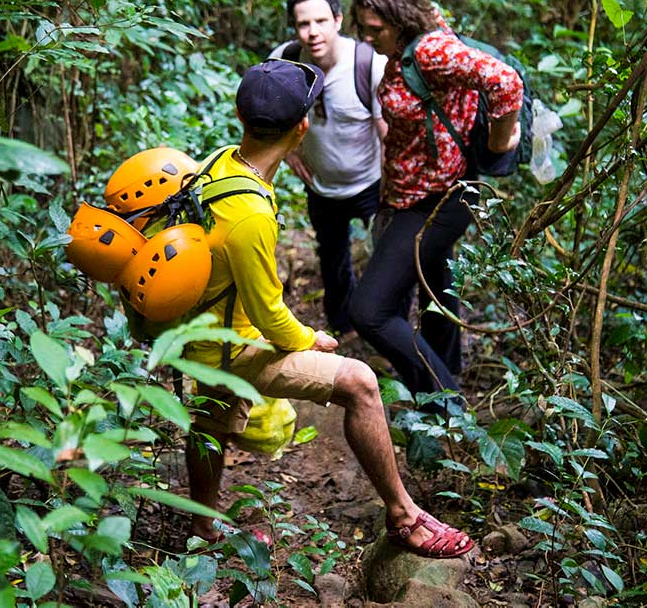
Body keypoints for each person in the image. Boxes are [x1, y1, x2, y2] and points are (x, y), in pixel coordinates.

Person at [183, 57, 474, 558]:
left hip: (201, 332)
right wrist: (308, 339)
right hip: (229, 346)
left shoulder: (219, 161)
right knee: (360, 383)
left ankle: (203, 529)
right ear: (302, 128)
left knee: (209, 421)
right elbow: (270, 314)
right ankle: (404, 517)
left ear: (240, 117)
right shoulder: (249, 213)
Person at [347, 0, 523, 401]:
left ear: (401, 20)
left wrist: (499, 144)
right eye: (363, 29)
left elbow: (505, 82)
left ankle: (446, 403)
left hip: (439, 199)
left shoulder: (429, 51)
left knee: (369, 311)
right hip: (418, 191)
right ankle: (446, 394)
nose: (367, 39)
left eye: (376, 30)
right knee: (434, 293)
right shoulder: (417, 38)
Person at [269, 0, 388, 336]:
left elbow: (388, 128)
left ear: (338, 20)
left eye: (321, 21)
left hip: (371, 182)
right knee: (332, 258)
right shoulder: (285, 61)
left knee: (384, 259)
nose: (312, 32)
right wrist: (289, 152)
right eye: (303, 24)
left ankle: (384, 328)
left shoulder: (369, 65)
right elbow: (268, 112)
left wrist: (396, 181)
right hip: (321, 185)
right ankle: (343, 329)